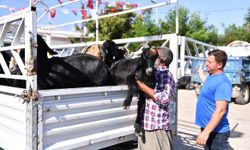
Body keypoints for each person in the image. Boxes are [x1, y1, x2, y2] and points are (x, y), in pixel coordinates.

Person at [136, 47, 176, 150]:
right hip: (148, 125)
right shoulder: (155, 72)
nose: (151, 57)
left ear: (163, 58)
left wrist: (142, 86)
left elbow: (164, 98)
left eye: (154, 55)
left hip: (157, 128)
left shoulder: (165, 75)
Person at [195, 49, 232, 150]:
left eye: (210, 62)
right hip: (208, 128)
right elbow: (207, 83)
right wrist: (200, 72)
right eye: (206, 61)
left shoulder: (223, 82)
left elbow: (220, 110)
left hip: (217, 134)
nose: (207, 64)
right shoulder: (212, 77)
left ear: (220, 64)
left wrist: (205, 132)